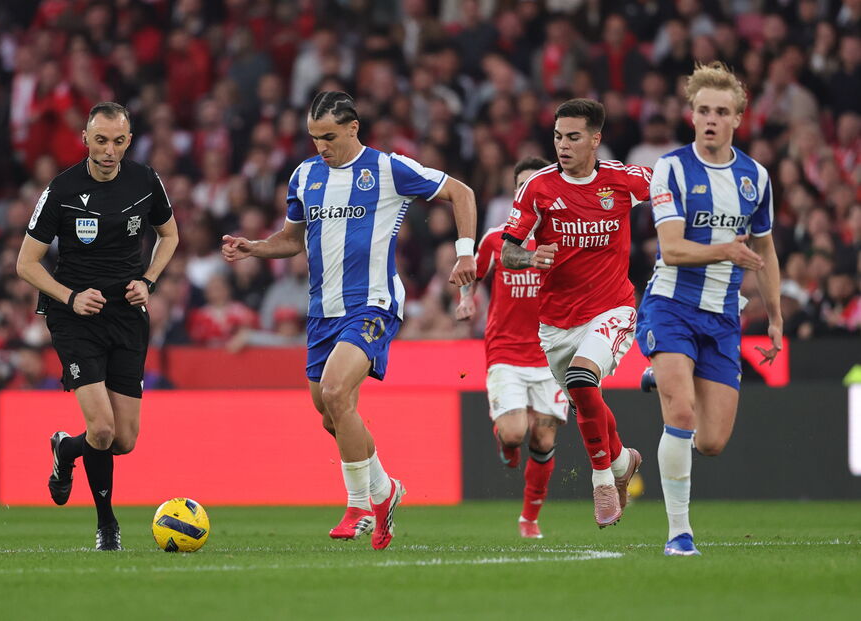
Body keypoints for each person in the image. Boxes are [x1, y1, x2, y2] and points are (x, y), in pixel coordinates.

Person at [222, 91, 476, 550]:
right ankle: (386, 490)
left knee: (338, 392)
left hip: (373, 304)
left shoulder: (388, 168)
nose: (320, 145)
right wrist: (254, 248)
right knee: (330, 414)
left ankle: (360, 503)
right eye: (314, 137)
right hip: (322, 311)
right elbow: (291, 239)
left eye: (329, 136)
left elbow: (462, 192)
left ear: (354, 128)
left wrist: (464, 254)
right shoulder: (303, 176)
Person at [16, 102, 179, 551]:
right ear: (86, 140)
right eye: (101, 140)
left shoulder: (145, 180)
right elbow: (25, 264)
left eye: (119, 141)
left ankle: (65, 450)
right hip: (75, 317)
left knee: (123, 441)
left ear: (129, 140)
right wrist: (69, 296)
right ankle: (107, 526)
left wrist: (147, 281)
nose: (110, 150)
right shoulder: (62, 189)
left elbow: (170, 235)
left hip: (127, 316)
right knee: (103, 430)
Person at [636, 62, 781, 557]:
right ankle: (679, 534)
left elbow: (765, 248)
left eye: (722, 111)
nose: (711, 119)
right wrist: (724, 251)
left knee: (712, 441)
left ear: (739, 118)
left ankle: (665, 372)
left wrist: (776, 315)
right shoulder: (671, 168)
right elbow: (672, 249)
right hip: (671, 305)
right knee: (680, 412)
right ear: (691, 115)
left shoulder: (754, 177)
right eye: (703, 110)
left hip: (722, 318)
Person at [501, 98, 647, 529]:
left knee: (584, 380)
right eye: (558, 137)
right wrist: (530, 258)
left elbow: (670, 192)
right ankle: (622, 460)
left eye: (573, 137)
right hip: (557, 323)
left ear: (595, 140)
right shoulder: (539, 187)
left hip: (613, 307)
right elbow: (508, 250)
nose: (563, 145)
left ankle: (602, 480)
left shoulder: (624, 180)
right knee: (587, 394)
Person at [455, 156, 568, 539]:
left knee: (545, 437)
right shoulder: (495, 238)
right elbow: (473, 272)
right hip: (506, 352)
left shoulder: (564, 236)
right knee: (517, 433)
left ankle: (529, 518)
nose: (528, 191)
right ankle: (505, 441)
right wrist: (467, 299)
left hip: (552, 354)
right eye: (521, 186)